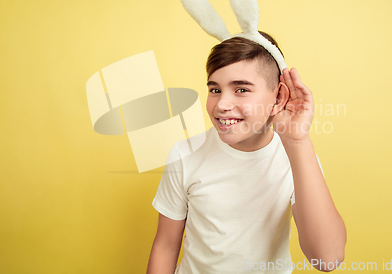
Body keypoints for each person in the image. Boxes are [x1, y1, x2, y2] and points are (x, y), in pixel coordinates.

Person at [146, 31, 347, 273]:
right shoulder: (185, 154)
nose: (221, 105)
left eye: (241, 90)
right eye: (215, 90)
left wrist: (298, 142)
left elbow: (327, 258)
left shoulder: (297, 158)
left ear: (279, 96)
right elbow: (166, 246)